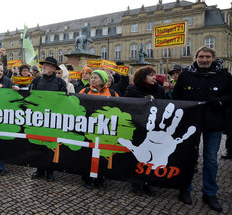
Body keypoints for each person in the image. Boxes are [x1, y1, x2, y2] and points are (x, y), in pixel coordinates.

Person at [173, 46, 231, 212]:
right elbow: (177, 97)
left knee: (211, 158)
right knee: (188, 156)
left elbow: (230, 96)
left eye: (207, 57)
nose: (204, 60)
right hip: (190, 123)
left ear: (213, 58)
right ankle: (185, 188)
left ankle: (210, 193)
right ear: (196, 58)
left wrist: (220, 101)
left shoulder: (224, 75)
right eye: (201, 57)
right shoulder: (185, 74)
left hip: (214, 123)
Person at [124, 66, 166, 196]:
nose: (155, 77)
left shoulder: (159, 90)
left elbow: (165, 106)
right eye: (151, 75)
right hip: (138, 128)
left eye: (154, 75)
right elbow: (126, 105)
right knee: (137, 156)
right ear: (143, 76)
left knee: (152, 157)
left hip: (154, 129)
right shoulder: (132, 89)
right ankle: (136, 182)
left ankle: (148, 183)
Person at [79, 69, 119, 190]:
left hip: (104, 130)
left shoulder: (112, 93)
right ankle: (87, 179)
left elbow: (119, 109)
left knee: (102, 156)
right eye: (92, 77)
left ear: (103, 80)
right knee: (87, 155)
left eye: (96, 77)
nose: (92, 79)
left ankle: (100, 180)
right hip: (88, 128)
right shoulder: (84, 91)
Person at [30, 57, 67, 182]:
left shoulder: (60, 83)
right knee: (39, 145)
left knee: (51, 145)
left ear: (53, 69)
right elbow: (30, 98)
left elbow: (64, 102)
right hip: (38, 119)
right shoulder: (36, 80)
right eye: (43, 65)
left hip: (53, 119)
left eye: (47, 65)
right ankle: (39, 170)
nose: (44, 67)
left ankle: (50, 171)